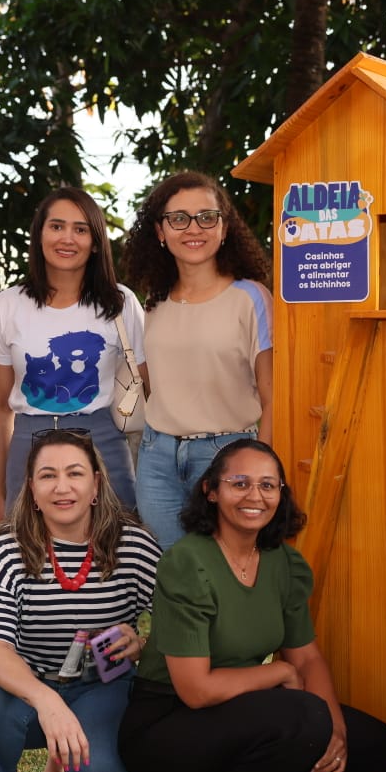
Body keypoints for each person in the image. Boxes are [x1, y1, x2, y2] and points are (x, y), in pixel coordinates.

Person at [118, 439, 386, 772]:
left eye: (268, 485)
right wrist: (279, 672)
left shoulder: (283, 562)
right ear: (211, 490)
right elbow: (196, 690)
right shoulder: (187, 562)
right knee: (302, 714)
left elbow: (307, 659)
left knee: (375, 745)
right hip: (166, 727)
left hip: (237, 715)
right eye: (240, 483)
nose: (255, 496)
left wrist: (336, 730)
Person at [0, 429, 160, 772]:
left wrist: (142, 643)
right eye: (47, 476)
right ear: (31, 490)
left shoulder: (134, 545)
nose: (62, 486)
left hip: (101, 686)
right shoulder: (4, 546)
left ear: (96, 484)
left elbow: (179, 624)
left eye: (75, 473)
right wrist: (47, 701)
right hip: (27, 687)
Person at [121, 171, 273, 551]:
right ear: (160, 231)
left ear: (224, 228)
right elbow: (156, 384)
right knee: (172, 579)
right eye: (178, 218)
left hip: (228, 457)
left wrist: (261, 473)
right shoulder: (154, 303)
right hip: (157, 460)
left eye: (207, 217)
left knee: (228, 577)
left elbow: (274, 399)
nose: (194, 228)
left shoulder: (251, 298)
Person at [0, 187, 146, 524]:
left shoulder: (120, 303)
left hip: (102, 439)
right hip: (29, 441)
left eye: (81, 229)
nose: (67, 238)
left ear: (96, 241)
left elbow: (149, 389)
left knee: (118, 551)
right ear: (39, 234)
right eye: (56, 226)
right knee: (29, 558)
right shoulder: (9, 304)